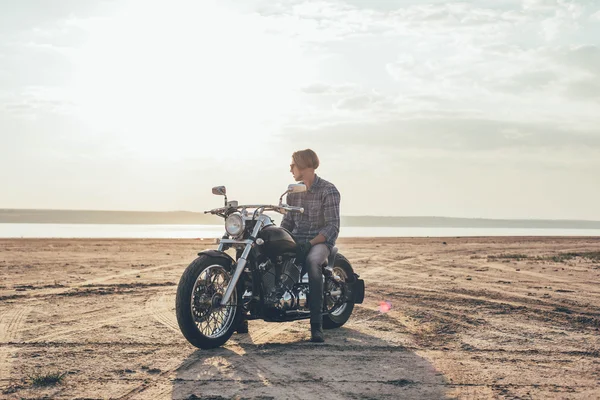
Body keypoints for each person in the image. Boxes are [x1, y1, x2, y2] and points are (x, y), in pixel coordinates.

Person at [280, 149, 341, 343]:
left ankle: (316, 325)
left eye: (293, 165)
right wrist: (280, 237)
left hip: (319, 242)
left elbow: (333, 226)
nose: (290, 169)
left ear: (305, 166)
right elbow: (288, 223)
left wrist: (310, 243)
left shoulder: (328, 190)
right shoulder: (293, 192)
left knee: (313, 262)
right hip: (297, 239)